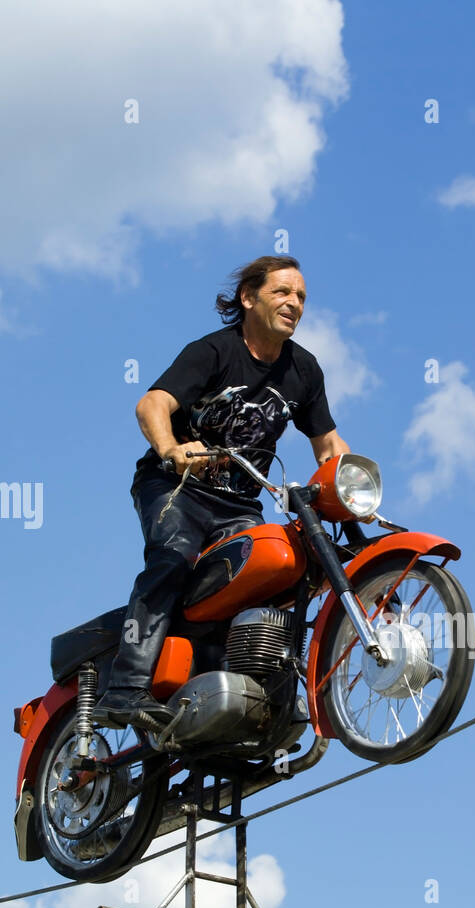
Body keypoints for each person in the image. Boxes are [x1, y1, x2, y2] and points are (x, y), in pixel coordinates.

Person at [93, 255, 351, 731]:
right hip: (176, 487)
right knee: (173, 558)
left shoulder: (304, 370)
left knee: (273, 577)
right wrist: (171, 447)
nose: (294, 303)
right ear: (248, 297)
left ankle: (250, 698)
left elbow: (329, 445)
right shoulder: (214, 351)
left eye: (301, 298)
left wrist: (351, 489)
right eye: (282, 293)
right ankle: (125, 689)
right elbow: (152, 403)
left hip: (238, 504)